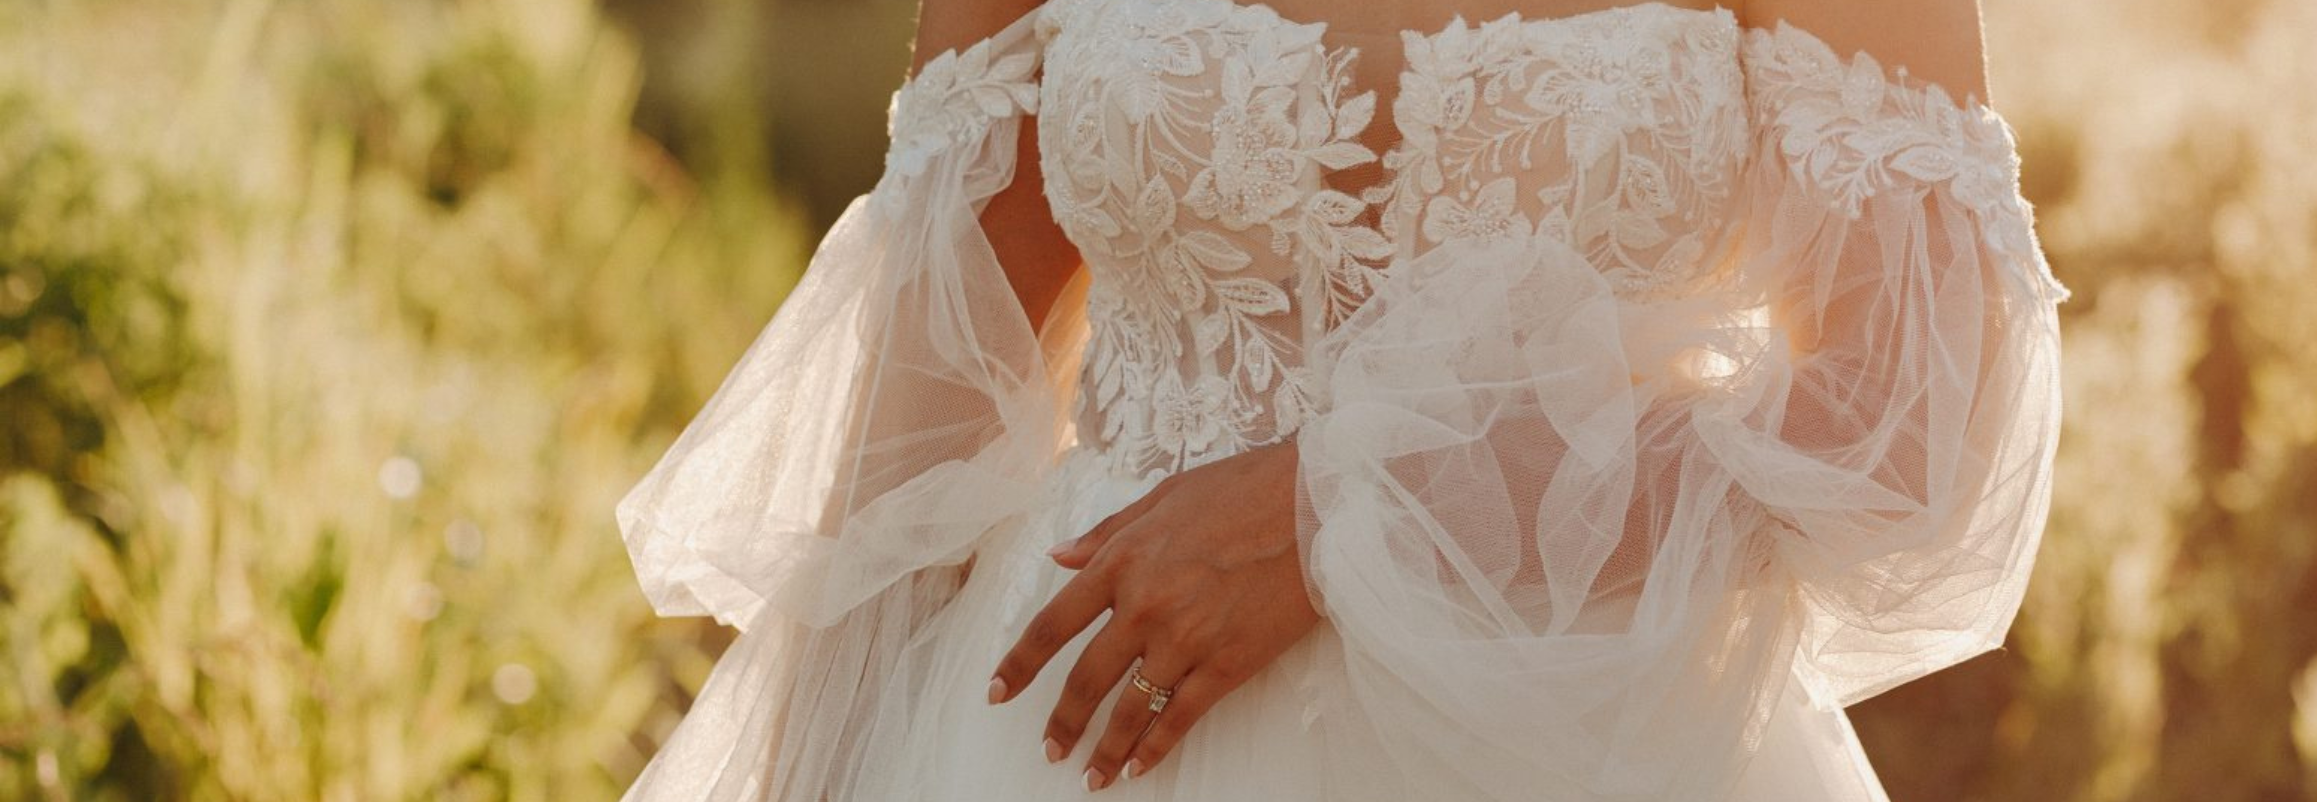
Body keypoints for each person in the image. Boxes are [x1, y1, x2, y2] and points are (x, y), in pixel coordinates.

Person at [614, 0, 2069, 798]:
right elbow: (922, 415)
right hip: (1078, 740)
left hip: (1585, 737)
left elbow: (1909, 422)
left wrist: (1338, 509)